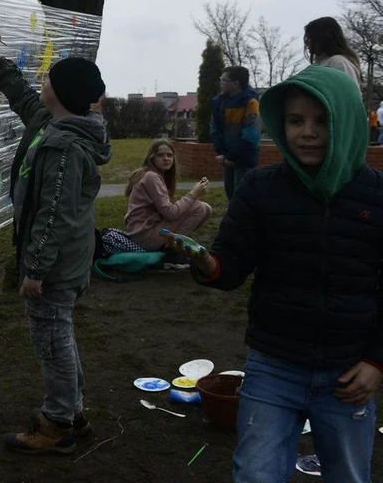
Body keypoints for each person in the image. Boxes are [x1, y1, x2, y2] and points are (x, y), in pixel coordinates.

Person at [171, 66, 382, 483]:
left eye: (322, 121)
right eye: (294, 120)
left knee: (349, 475)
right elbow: (230, 264)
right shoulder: (259, 188)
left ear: (348, 122)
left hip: (349, 373)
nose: (307, 132)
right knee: (256, 472)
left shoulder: (376, 196)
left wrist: (377, 360)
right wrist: (205, 263)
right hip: (274, 366)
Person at [0, 27, 111, 455]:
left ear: (63, 93)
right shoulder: (52, 122)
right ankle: (71, 410)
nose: (43, 83)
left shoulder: (65, 147)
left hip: (54, 266)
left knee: (52, 341)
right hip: (64, 261)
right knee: (61, 335)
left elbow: (53, 216)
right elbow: (22, 97)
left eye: (50, 79)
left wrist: (35, 270)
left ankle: (57, 425)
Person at [123, 139, 212, 252]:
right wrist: (194, 193)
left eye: (169, 155)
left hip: (147, 231)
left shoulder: (155, 175)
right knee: (199, 208)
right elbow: (170, 214)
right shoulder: (151, 177)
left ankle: (173, 246)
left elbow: (167, 210)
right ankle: (172, 252)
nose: (166, 158)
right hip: (144, 236)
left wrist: (193, 195)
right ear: (152, 158)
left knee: (207, 209)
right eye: (160, 155)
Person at [211, 65, 261, 199]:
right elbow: (214, 128)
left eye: (224, 80)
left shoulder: (251, 103)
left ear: (236, 83)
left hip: (244, 159)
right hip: (226, 158)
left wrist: (230, 156)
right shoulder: (219, 103)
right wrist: (221, 153)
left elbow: (252, 135)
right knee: (230, 193)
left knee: (242, 195)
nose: (221, 83)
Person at [304, 15, 362, 85]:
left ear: (322, 38)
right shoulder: (318, 65)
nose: (307, 42)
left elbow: (347, 93)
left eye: (310, 37)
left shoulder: (338, 62)